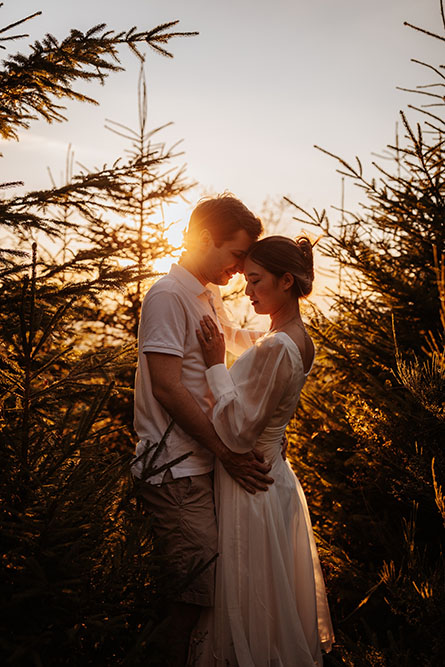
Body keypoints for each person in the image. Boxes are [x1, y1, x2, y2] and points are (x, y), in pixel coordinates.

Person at [131, 194, 274, 667]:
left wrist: (287, 336)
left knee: (203, 591)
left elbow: (234, 345)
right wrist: (226, 452)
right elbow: (168, 388)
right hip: (174, 468)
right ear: (204, 239)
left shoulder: (206, 294)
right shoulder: (168, 297)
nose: (240, 265)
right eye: (235, 254)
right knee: (192, 595)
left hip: (201, 464)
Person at [192, 235, 335, 666]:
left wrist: (216, 364)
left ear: (286, 280)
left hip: (252, 483)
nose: (247, 290)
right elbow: (250, 343)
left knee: (251, 598)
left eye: (255, 281)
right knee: (267, 598)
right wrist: (215, 314)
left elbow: (237, 432)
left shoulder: (281, 345)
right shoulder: (287, 335)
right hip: (273, 477)